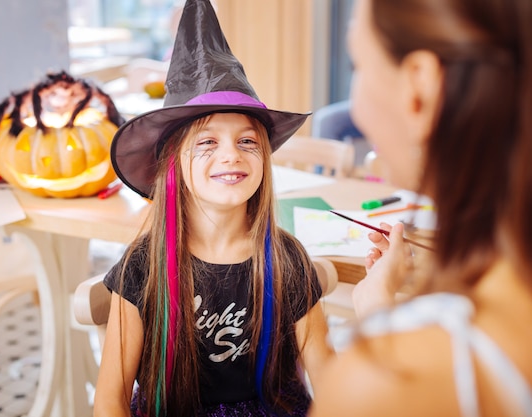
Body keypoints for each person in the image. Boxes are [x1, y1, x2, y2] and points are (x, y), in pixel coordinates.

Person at [93, 0, 331, 416]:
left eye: (247, 141)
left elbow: (333, 387)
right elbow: (109, 400)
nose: (231, 156)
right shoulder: (141, 267)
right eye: (206, 142)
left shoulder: (288, 260)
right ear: (173, 163)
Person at [308, 0, 532, 416]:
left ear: (420, 88)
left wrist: (380, 333)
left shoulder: (377, 384)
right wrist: (379, 306)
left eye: (358, 65)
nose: (355, 107)